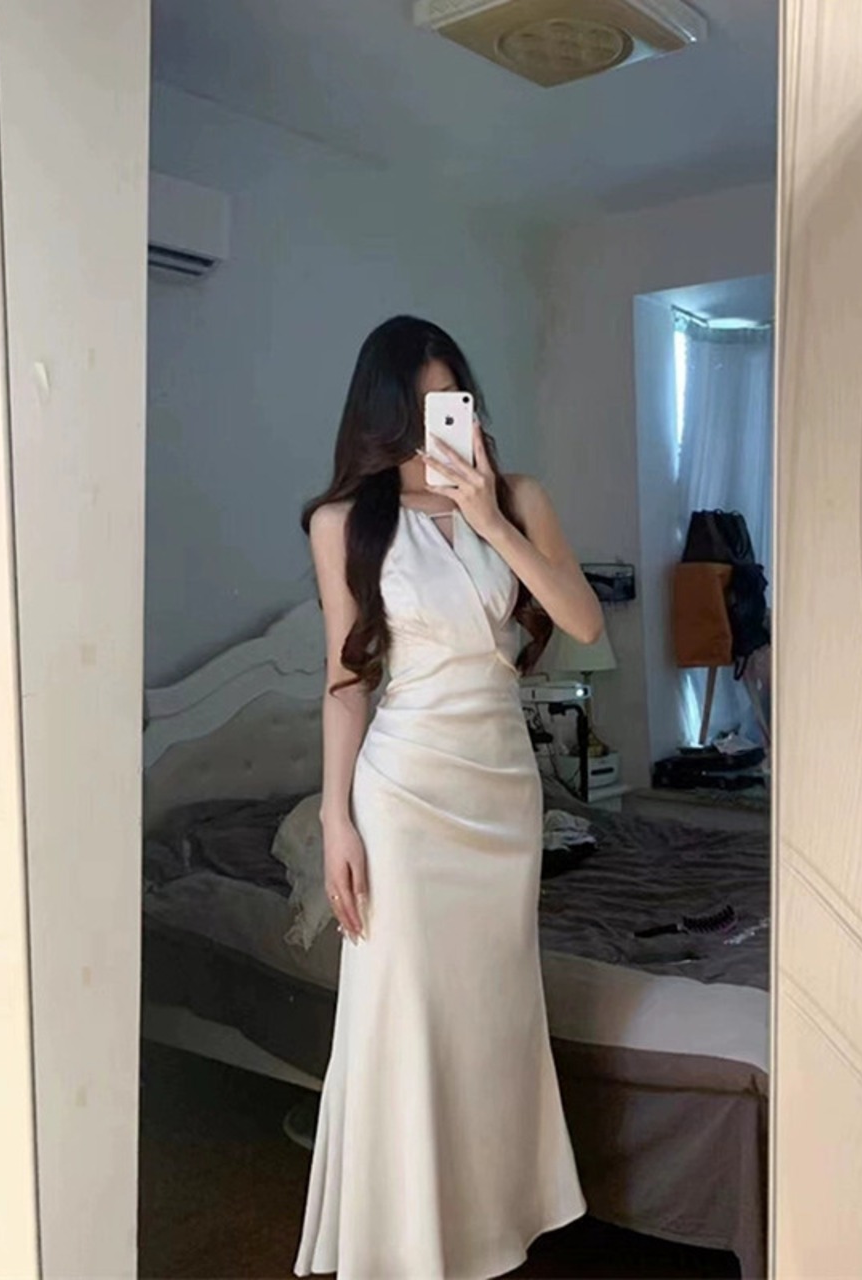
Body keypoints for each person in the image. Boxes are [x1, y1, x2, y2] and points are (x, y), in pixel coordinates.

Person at [293, 315, 603, 1279]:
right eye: (421, 405)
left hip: (499, 791)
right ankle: (402, 1244)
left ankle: (488, 1229)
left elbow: (584, 622)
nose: (441, 424)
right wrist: (336, 819)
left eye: (452, 400)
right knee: (407, 1011)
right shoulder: (344, 523)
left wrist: (492, 522)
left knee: (491, 1014)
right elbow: (347, 682)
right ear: (384, 413)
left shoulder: (518, 498)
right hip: (405, 794)